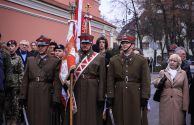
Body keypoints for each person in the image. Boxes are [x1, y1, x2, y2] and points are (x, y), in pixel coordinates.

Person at [106, 35, 151, 125]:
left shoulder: (141, 60)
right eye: (123, 43)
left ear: (132, 45)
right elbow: (110, 79)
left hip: (135, 93)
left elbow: (146, 80)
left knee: (134, 118)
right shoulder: (114, 60)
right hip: (118, 92)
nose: (124, 45)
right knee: (119, 117)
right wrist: (110, 95)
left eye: (127, 43)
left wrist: (144, 97)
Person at [19, 35, 62, 125]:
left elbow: (57, 82)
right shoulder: (30, 60)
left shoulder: (55, 61)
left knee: (44, 117)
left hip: (46, 92)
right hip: (32, 92)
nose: (41, 48)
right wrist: (23, 96)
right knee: (32, 116)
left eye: (43, 46)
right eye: (39, 46)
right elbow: (25, 79)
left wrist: (56, 98)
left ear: (47, 47)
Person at [67, 33, 106, 125]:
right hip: (77, 87)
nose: (85, 45)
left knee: (91, 113)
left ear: (91, 44)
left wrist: (101, 96)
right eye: (83, 43)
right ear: (80, 43)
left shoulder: (99, 57)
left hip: (93, 88)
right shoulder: (74, 56)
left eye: (87, 43)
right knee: (77, 113)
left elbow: (102, 78)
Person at [155, 54, 189, 125]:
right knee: (165, 120)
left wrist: (185, 106)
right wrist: (161, 78)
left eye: (174, 61)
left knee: (178, 120)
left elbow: (185, 90)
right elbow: (156, 85)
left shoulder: (183, 73)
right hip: (165, 100)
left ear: (178, 63)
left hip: (178, 101)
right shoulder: (163, 71)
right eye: (170, 60)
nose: (172, 62)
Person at [5, 40, 24, 124]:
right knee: (6, 103)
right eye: (9, 46)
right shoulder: (4, 56)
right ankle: (7, 120)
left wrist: (20, 84)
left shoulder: (18, 58)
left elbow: (21, 72)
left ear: (16, 47)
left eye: (12, 46)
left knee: (15, 104)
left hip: (15, 84)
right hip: (5, 84)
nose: (10, 48)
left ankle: (15, 121)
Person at [0, 34, 13, 125]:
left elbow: (9, 71)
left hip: (1, 88)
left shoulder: (4, 54)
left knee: (1, 113)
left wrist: (7, 86)